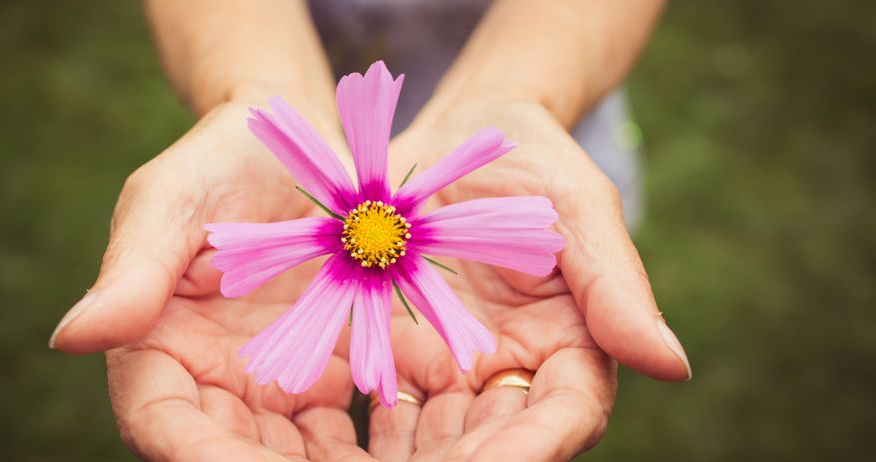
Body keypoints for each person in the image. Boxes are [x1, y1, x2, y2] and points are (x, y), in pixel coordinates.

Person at [49, 0, 689, 460]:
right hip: (313, 110)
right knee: (335, 378)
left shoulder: (420, 220)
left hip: (541, 129)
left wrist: (518, 95)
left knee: (542, 264)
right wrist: (261, 91)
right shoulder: (342, 230)